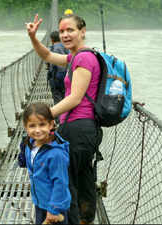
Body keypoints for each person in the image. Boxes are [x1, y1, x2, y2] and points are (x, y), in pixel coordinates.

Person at [26, 14, 103, 224]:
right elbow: (48, 56)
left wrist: (42, 117)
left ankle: (72, 219)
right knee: (83, 177)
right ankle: (85, 219)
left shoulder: (84, 58)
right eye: (62, 31)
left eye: (70, 30)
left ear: (83, 31)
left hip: (78, 128)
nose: (65, 35)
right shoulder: (75, 57)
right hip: (82, 129)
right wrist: (33, 37)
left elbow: (75, 98)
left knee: (68, 184)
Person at [18, 102, 71, 224]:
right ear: (25, 127)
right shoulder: (30, 143)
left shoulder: (56, 154)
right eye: (32, 126)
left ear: (51, 124)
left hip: (55, 206)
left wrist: (54, 209)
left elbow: (60, 183)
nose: (37, 130)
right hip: (40, 201)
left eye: (42, 124)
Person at [47, 31, 69, 106]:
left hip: (56, 77)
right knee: (65, 95)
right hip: (67, 75)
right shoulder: (67, 47)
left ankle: (59, 116)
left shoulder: (52, 48)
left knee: (56, 96)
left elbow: (48, 61)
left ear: (52, 40)